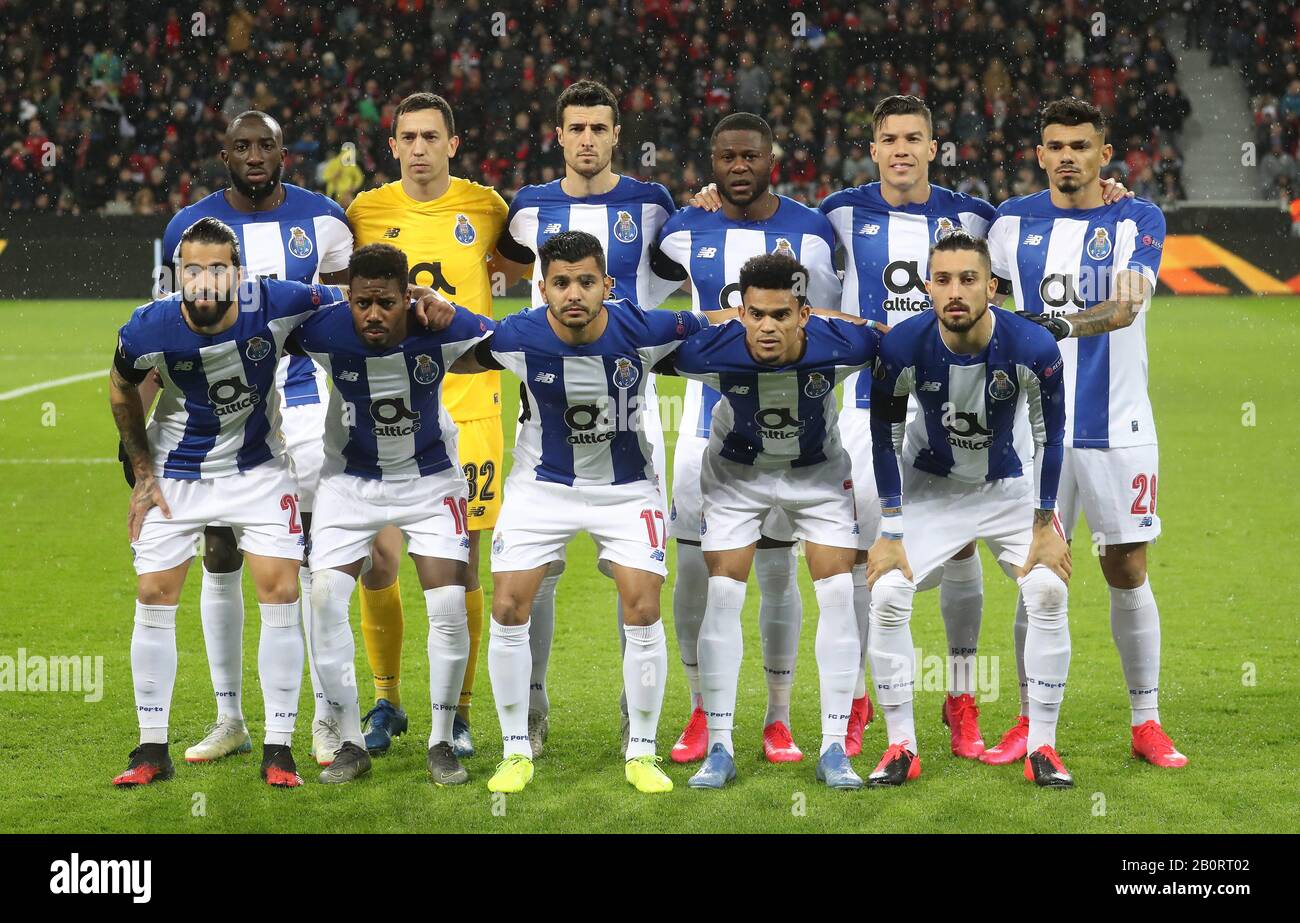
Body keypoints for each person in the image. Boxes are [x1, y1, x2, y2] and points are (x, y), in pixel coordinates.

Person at [450, 231, 720, 795]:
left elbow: (714, 322)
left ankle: (641, 750)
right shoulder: (517, 334)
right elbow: (458, 352)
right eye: (562, 282)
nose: (575, 293)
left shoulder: (645, 328)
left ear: (607, 285)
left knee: (643, 604)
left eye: (587, 281)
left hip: (625, 488)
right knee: (507, 603)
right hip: (541, 485)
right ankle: (516, 747)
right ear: (542, 287)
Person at [132, 110, 354, 767]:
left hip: (308, 410)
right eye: (241, 146)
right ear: (223, 153)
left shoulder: (326, 220)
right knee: (219, 552)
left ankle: (324, 719)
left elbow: (345, 315)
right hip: (225, 419)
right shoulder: (189, 226)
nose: (254, 156)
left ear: (286, 150)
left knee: (304, 565)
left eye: (266, 145)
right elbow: (165, 330)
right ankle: (231, 716)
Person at [986, 97, 1187, 770]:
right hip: (1032, 428)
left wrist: (1063, 325)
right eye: (1055, 145)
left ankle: (1146, 720)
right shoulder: (1009, 222)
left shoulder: (1137, 216)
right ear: (1039, 154)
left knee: (1125, 568)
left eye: (1081, 144)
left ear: (1105, 154)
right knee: (1035, 574)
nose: (1067, 155)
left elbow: (1130, 301)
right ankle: (1026, 720)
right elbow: (971, 290)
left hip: (1117, 424)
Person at [496, 79, 682, 757]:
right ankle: (534, 707)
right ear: (558, 135)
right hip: (547, 392)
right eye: (575, 128)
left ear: (615, 136)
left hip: (634, 397)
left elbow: (684, 268)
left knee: (636, 574)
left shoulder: (652, 204)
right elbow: (497, 270)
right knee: (535, 571)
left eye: (598, 128)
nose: (586, 140)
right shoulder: (527, 210)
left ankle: (639, 716)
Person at [651, 112, 841, 765]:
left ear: (771, 159)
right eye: (726, 155)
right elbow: (650, 298)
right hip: (705, 428)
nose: (737, 166)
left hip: (789, 431)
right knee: (696, 573)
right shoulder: (683, 227)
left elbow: (831, 322)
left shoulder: (811, 233)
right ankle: (704, 708)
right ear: (711, 159)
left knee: (777, 570)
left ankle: (779, 718)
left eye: (749, 156)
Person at [344, 92, 530, 757]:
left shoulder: (487, 208)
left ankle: (459, 712)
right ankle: (387, 698)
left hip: (470, 405)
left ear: (454, 144)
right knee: (377, 556)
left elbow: (525, 271)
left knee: (461, 564)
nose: (418, 147)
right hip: (387, 408)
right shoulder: (365, 211)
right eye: (407, 136)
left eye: (431, 136)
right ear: (391, 146)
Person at [658, 252, 884, 791]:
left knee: (835, 594)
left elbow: (899, 339)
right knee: (723, 595)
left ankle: (834, 746)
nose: (766, 327)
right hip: (737, 477)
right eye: (755, 314)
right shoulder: (708, 349)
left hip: (818, 476)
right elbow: (636, 345)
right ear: (740, 312)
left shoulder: (843, 345)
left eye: (780, 315)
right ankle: (720, 744)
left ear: (804, 314)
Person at [865, 231, 1074, 788]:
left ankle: (1043, 748)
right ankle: (901, 746)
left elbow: (1051, 437)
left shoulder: (1033, 348)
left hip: (1007, 487)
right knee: (886, 592)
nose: (954, 292)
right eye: (943, 280)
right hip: (932, 487)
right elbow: (883, 438)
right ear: (927, 286)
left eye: (968, 279)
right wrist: (889, 527)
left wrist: (1045, 523)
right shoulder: (902, 347)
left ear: (992, 287)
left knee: (1049, 588)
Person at [293, 243, 494, 786]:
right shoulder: (323, 330)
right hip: (348, 482)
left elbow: (497, 341)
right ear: (348, 299)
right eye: (362, 303)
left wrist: (452, 307)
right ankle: (350, 742)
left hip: (430, 481)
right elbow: (266, 324)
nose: (374, 315)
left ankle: (442, 738)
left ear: (408, 297)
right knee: (324, 597)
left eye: (386, 302)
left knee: (450, 599)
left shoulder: (437, 326)